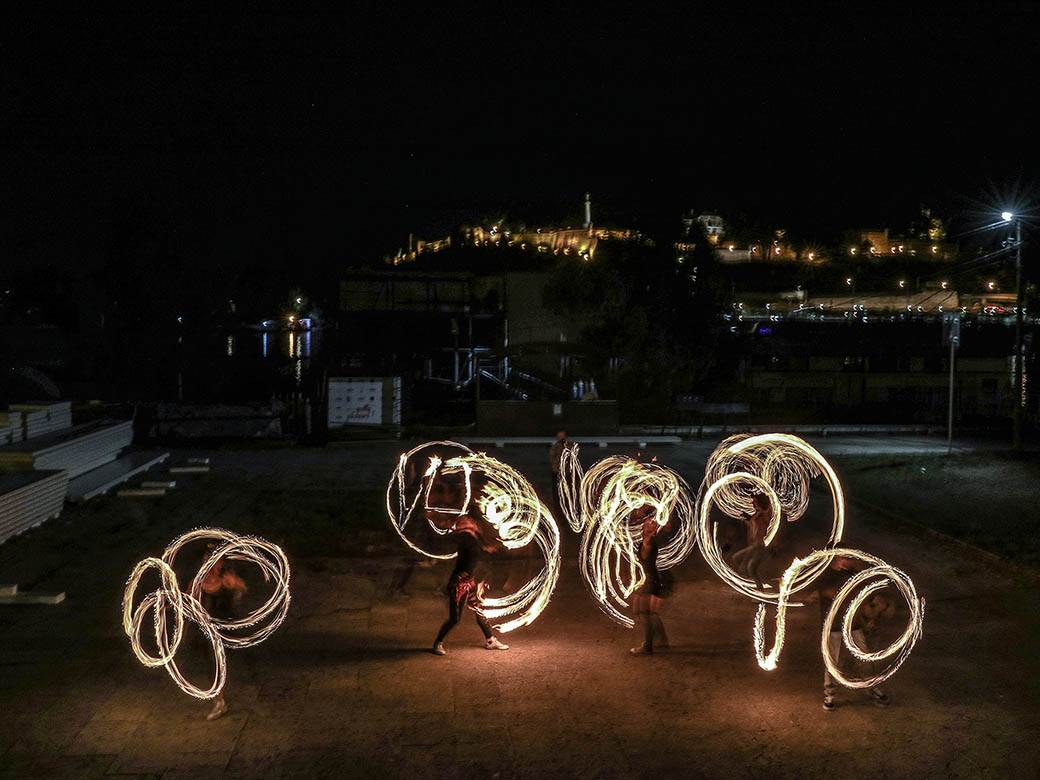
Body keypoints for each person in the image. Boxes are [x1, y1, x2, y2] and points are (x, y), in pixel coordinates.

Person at [427, 482, 510, 655]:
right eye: (468, 523)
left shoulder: (473, 538)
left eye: (471, 523)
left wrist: (491, 547)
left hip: (469, 581)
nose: (472, 525)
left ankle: (490, 640)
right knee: (455, 618)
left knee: (479, 608)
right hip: (458, 583)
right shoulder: (464, 538)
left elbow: (479, 549)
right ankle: (437, 643)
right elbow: (461, 542)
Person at [816, 556, 893, 711]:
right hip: (834, 627)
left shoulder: (851, 574)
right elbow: (836, 595)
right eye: (846, 558)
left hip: (854, 625)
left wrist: (869, 616)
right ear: (836, 559)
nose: (849, 561)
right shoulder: (826, 577)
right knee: (833, 661)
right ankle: (829, 694)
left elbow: (863, 597)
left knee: (864, 656)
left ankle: (871, 686)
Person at [199, 550, 247, 721]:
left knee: (220, 662)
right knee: (213, 664)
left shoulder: (227, 577)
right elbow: (187, 597)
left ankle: (220, 701)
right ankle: (219, 701)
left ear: (221, 562)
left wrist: (236, 592)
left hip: (224, 627)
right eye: (206, 559)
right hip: (207, 627)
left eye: (214, 560)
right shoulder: (199, 580)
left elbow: (242, 587)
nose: (209, 563)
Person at [630, 504, 672, 655]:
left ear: (652, 530)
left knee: (643, 612)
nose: (647, 523)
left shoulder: (649, 543)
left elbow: (665, 525)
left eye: (650, 525)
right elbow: (639, 518)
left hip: (651, 580)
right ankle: (662, 640)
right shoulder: (644, 541)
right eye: (646, 524)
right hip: (648, 579)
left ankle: (647, 646)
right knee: (648, 612)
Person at [731, 492, 771, 590]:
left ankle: (758, 590)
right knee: (738, 560)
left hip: (759, 546)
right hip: (754, 545)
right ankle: (751, 583)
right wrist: (747, 519)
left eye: (755, 501)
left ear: (759, 503)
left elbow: (763, 525)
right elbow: (753, 526)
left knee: (750, 568)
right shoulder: (757, 515)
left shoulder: (763, 515)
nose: (752, 503)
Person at [549, 430, 571, 504]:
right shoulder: (555, 447)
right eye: (559, 437)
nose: (560, 438)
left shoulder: (569, 446)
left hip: (566, 471)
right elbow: (552, 458)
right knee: (557, 491)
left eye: (562, 436)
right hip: (557, 471)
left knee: (567, 489)